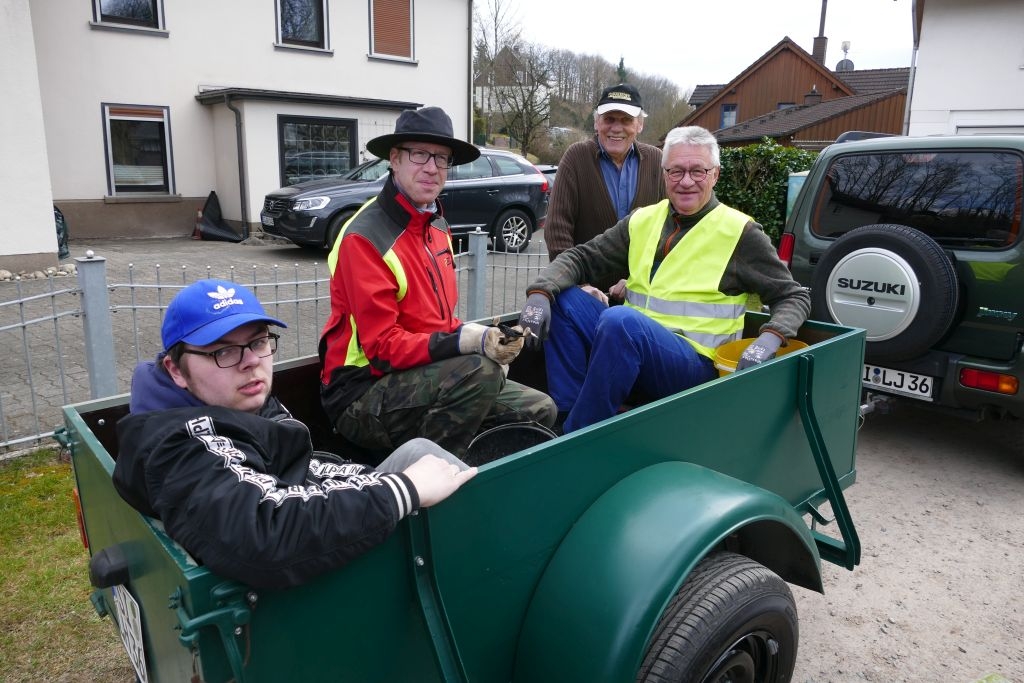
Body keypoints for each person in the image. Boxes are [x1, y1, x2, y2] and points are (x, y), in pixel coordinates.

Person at [113, 278, 476, 590]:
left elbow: (297, 468)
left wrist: (378, 480)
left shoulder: (232, 400)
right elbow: (265, 531)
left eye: (258, 342)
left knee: (423, 455)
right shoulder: (181, 446)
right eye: (223, 351)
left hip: (309, 508)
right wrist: (403, 489)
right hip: (302, 578)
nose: (251, 362)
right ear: (176, 370)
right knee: (448, 499)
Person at [518, 126, 811, 434]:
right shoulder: (643, 220)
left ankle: (578, 436)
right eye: (676, 171)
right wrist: (540, 292)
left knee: (621, 322)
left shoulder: (740, 232)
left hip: (694, 367)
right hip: (631, 349)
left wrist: (769, 339)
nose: (686, 181)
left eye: (698, 171)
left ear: (715, 175)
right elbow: (581, 257)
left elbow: (793, 296)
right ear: (664, 174)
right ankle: (566, 413)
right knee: (565, 298)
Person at [319, 106, 557, 459]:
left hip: (421, 375)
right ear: (395, 159)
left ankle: (478, 472)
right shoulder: (364, 238)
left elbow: (436, 323)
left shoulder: (437, 227)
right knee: (479, 373)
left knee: (540, 410)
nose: (432, 167)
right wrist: (468, 343)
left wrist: (481, 339)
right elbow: (382, 350)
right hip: (361, 392)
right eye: (419, 154)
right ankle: (428, 479)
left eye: (442, 158)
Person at [543, 83, 665, 295]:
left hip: (642, 294)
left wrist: (641, 279)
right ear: (596, 123)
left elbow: (670, 228)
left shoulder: (657, 161)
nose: (616, 128)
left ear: (640, 125)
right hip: (586, 294)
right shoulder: (576, 158)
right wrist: (579, 284)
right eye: (609, 119)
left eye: (626, 120)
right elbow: (557, 229)